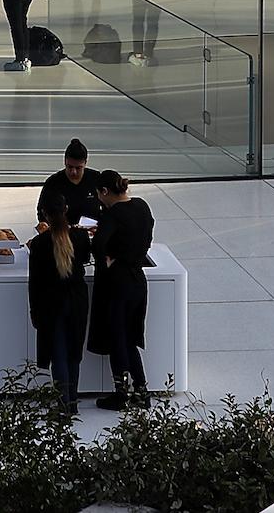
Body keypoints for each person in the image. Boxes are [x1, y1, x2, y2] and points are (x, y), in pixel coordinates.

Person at [89, 170, 155, 410]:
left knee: (118, 338)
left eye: (98, 195)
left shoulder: (113, 214)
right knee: (130, 339)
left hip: (117, 284)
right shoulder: (142, 206)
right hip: (138, 280)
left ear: (105, 191)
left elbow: (98, 244)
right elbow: (147, 235)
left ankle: (121, 393)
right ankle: (141, 390)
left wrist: (109, 259)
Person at [29, 192, 93, 414]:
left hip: (51, 303)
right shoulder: (80, 237)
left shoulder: (38, 244)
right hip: (77, 300)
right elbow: (85, 258)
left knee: (58, 356)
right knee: (74, 353)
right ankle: (72, 402)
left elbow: (34, 282)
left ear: (45, 214)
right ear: (66, 210)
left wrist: (34, 311)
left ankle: (63, 404)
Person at [36, 138, 102, 228]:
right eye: (70, 167)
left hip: (93, 231)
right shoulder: (53, 182)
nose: (73, 172)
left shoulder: (96, 178)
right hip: (62, 232)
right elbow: (42, 210)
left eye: (78, 168)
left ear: (85, 163)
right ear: (65, 161)